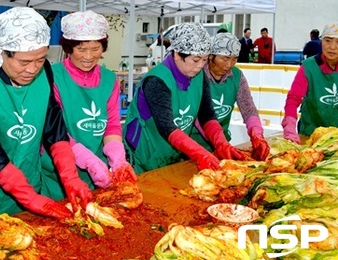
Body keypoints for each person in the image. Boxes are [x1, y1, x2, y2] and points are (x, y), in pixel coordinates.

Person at [0, 7, 92, 230]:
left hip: (28, 185)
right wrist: (29, 197)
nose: (32, 69)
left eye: (40, 60)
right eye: (24, 62)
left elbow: (53, 126)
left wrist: (70, 178)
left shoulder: (45, 71)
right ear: (3, 52)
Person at [123, 23, 245, 174]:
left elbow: (206, 115)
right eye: (196, 60)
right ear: (177, 54)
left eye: (205, 59)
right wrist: (200, 153)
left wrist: (221, 142)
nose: (201, 65)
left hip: (175, 153)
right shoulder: (156, 80)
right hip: (148, 152)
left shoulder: (199, 76)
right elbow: (167, 127)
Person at [40, 10, 136, 194]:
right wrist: (87, 160)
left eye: (96, 48)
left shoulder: (109, 79)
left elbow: (112, 126)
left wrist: (117, 159)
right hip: (59, 175)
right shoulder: (53, 77)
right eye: (81, 49)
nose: (88, 56)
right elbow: (53, 130)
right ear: (68, 48)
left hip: (99, 172)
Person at [190, 33, 270, 161]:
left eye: (234, 59)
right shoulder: (196, 75)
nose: (229, 65)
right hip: (194, 145)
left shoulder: (236, 76)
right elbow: (198, 117)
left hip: (222, 144)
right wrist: (219, 142)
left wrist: (257, 135)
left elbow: (248, 109)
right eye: (225, 58)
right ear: (211, 56)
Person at [282, 22, 338, 143]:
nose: (332, 47)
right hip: (310, 134)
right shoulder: (309, 67)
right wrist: (289, 125)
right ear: (321, 42)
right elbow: (294, 98)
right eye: (328, 41)